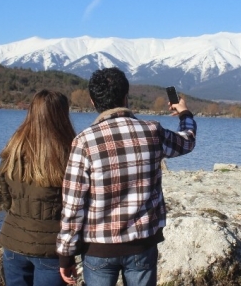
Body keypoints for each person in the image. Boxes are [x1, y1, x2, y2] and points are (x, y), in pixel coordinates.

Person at [57, 67, 197, 286]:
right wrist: (185, 114)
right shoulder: (152, 131)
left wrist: (66, 254)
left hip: (98, 248)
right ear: (126, 97)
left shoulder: (84, 141)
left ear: (93, 102)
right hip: (142, 245)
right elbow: (187, 140)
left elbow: (73, 205)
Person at [0, 89, 77, 286]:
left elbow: (6, 198)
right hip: (50, 248)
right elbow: (74, 208)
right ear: (62, 116)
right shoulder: (68, 154)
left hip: (14, 241)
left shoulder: (14, 149)